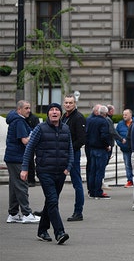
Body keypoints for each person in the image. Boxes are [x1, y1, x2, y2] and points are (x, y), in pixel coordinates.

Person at [21, 103, 72, 244]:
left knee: (50, 201)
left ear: (60, 114)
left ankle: (42, 230)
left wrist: (68, 167)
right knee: (53, 201)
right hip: (45, 171)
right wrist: (25, 168)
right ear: (48, 113)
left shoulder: (66, 128)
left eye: (57, 110)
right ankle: (59, 232)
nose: (54, 112)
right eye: (51, 110)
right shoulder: (40, 128)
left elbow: (70, 149)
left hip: (61, 171)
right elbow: (29, 148)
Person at [4, 100, 40, 224]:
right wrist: (34, 136)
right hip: (17, 158)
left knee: (14, 186)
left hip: (12, 157)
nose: (29, 110)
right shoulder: (19, 121)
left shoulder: (17, 120)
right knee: (21, 184)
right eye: (26, 108)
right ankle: (27, 213)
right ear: (19, 110)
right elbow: (25, 140)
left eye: (29, 107)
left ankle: (13, 214)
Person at [61, 95, 87, 221]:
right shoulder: (64, 116)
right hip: (62, 153)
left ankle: (78, 212)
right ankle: (48, 209)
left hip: (72, 154)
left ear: (74, 103)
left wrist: (70, 149)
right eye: (66, 102)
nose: (68, 105)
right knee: (55, 183)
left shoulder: (78, 117)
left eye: (70, 103)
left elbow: (82, 139)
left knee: (77, 183)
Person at [85, 105, 113, 199]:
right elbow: (104, 135)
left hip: (92, 148)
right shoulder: (104, 121)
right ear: (105, 113)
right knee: (99, 172)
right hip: (100, 149)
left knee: (92, 171)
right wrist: (107, 145)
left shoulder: (91, 120)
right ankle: (98, 192)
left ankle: (92, 191)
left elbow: (87, 133)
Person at [116, 109, 134, 188]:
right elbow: (116, 135)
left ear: (130, 115)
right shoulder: (120, 124)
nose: (124, 116)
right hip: (125, 149)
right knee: (127, 165)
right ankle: (129, 180)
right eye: (123, 114)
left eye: (126, 115)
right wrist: (120, 144)